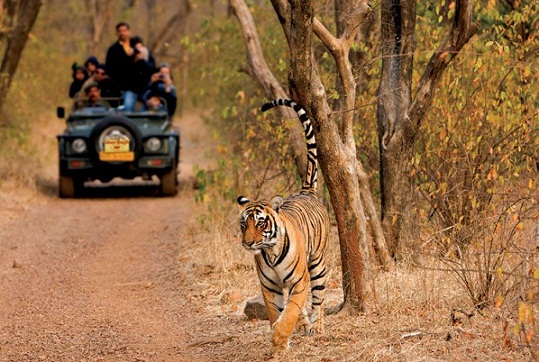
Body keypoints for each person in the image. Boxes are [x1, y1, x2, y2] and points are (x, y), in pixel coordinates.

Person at [105, 22, 137, 111]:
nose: (122, 33)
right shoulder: (113, 49)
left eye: (124, 30)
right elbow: (109, 69)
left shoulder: (136, 46)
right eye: (120, 31)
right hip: (121, 86)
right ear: (117, 33)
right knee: (127, 107)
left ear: (129, 31)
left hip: (136, 86)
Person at [130, 35, 156, 105]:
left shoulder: (148, 57)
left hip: (146, 88)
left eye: (141, 47)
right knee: (128, 105)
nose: (139, 50)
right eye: (136, 48)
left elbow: (152, 70)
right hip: (132, 89)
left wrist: (142, 61)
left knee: (149, 103)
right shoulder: (129, 57)